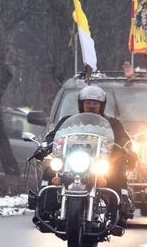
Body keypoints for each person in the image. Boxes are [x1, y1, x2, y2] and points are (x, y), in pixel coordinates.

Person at [34, 85, 137, 235]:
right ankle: (45, 213)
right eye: (88, 102)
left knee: (117, 175)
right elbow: (54, 136)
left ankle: (119, 217)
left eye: (95, 103)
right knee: (51, 171)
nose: (91, 106)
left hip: (100, 161)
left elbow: (123, 138)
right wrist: (44, 146)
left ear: (102, 105)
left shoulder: (112, 123)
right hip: (72, 161)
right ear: (81, 104)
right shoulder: (69, 121)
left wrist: (128, 149)